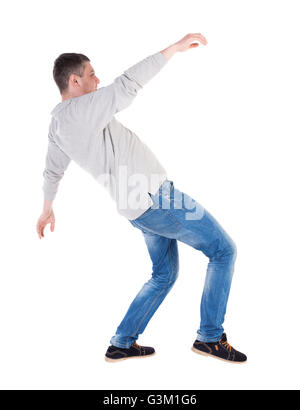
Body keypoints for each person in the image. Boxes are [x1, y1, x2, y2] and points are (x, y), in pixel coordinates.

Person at [36, 33, 247, 364]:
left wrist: (47, 208)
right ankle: (209, 337)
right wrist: (172, 50)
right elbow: (126, 85)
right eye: (91, 74)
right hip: (160, 200)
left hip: (138, 208)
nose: (97, 79)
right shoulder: (82, 109)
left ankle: (122, 342)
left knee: (164, 274)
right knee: (223, 250)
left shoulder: (59, 123)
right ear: (74, 81)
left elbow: (52, 171)